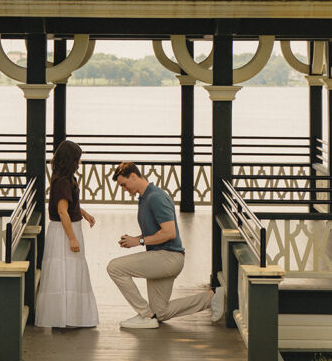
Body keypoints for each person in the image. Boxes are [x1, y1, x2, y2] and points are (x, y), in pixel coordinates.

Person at [106, 162, 224, 329]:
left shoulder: (156, 197)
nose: (124, 189)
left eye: (124, 184)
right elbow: (158, 231)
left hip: (168, 258)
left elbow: (170, 233)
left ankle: (145, 314)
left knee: (114, 268)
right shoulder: (145, 198)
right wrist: (136, 239)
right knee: (160, 312)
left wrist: (139, 241)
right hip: (162, 257)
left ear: (133, 176)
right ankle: (213, 297)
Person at [35, 139, 99, 328]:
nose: (80, 163)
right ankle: (66, 316)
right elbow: (62, 211)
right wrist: (72, 237)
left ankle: (70, 315)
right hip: (64, 230)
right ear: (71, 160)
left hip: (70, 226)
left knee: (70, 272)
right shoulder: (62, 181)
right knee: (65, 272)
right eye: (78, 159)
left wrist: (84, 213)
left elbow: (70, 205)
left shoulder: (66, 179)